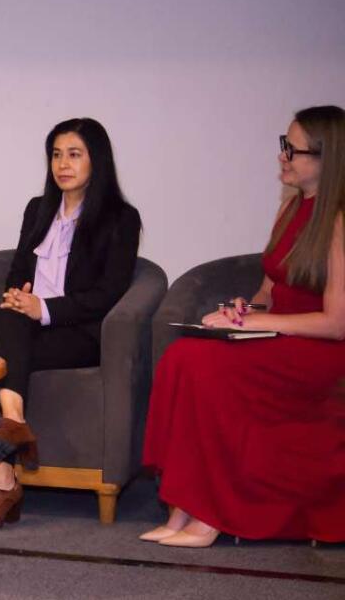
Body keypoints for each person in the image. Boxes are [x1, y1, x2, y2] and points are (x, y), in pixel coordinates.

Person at [141, 105, 345, 547]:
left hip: (319, 352)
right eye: (283, 145)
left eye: (293, 149)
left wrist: (261, 321)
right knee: (182, 355)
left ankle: (210, 513)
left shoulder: (339, 220)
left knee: (208, 367)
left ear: (328, 158)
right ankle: (183, 503)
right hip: (281, 336)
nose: (283, 156)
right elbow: (268, 289)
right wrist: (243, 310)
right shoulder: (291, 210)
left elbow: (336, 323)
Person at [0, 117, 141, 530]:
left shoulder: (121, 218)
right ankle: (11, 440)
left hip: (79, 331)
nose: (63, 164)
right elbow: (18, 270)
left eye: (74, 154)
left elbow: (108, 294)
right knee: (4, 321)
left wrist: (42, 308)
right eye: (56, 155)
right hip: (27, 324)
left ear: (97, 161)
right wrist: (15, 296)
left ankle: (3, 479)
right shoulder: (38, 209)